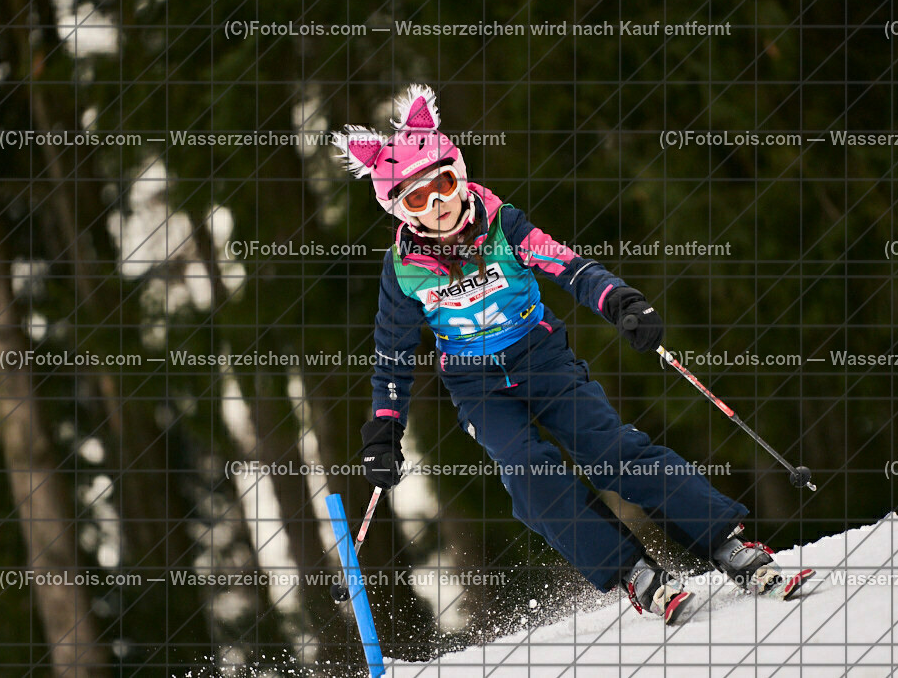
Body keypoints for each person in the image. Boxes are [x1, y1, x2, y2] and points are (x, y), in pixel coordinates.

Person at [334, 85, 790, 624]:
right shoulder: (403, 270)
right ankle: (634, 572)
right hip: (476, 387)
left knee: (609, 448)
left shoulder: (503, 224)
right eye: (418, 198)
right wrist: (385, 429)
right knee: (527, 474)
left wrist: (620, 300)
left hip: (541, 356)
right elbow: (393, 353)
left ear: (459, 173)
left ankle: (724, 543)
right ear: (399, 210)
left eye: (445, 184)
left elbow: (567, 266)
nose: (440, 205)